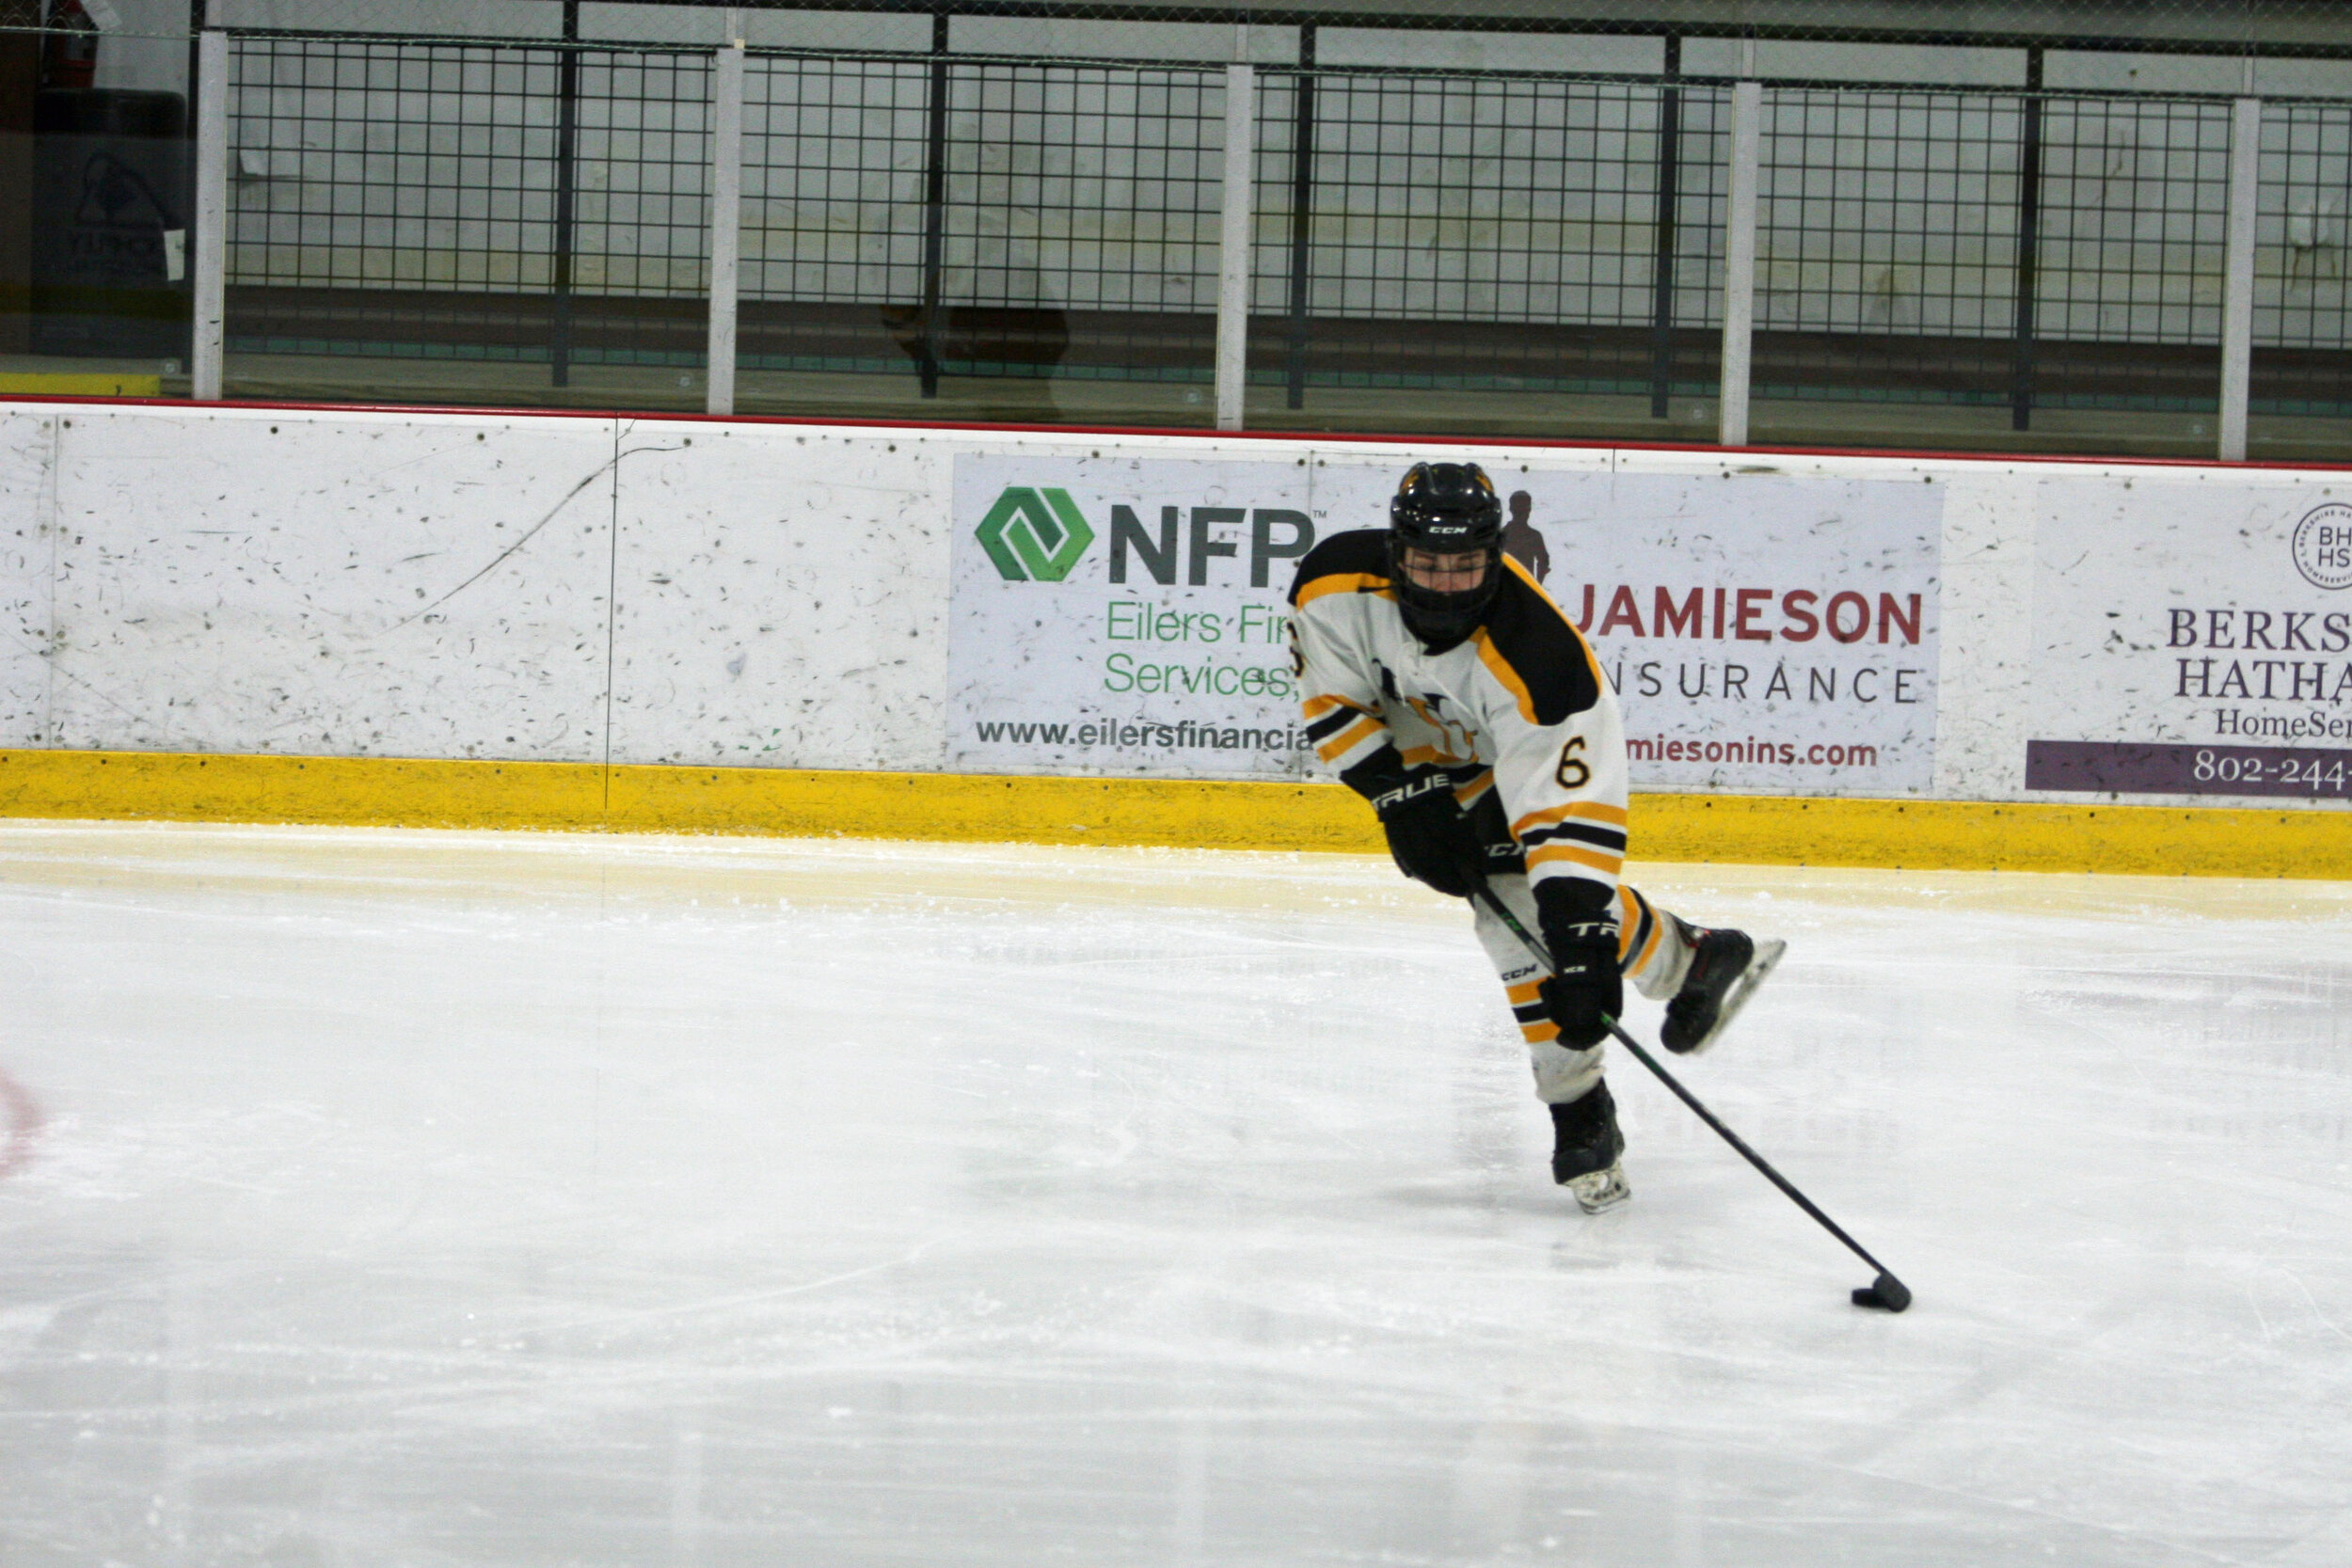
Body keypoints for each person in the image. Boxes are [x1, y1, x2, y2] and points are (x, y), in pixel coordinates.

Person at [1286, 461, 1783, 1212]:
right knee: (1514, 907)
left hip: (1511, 757)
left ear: (1494, 555)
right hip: (1424, 749)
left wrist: (1581, 936)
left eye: (1465, 565)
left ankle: (1578, 1108)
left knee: (1519, 914)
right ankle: (1692, 957)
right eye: (1426, 563)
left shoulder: (1544, 663)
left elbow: (1565, 820)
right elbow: (1333, 696)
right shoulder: (1331, 586)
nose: (1444, 583)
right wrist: (1398, 793)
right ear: (1396, 554)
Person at [1500, 490, 1550, 583]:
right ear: (1529, 510)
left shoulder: (1501, 535)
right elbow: (1543, 563)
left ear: (1511, 509)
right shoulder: (1534, 536)